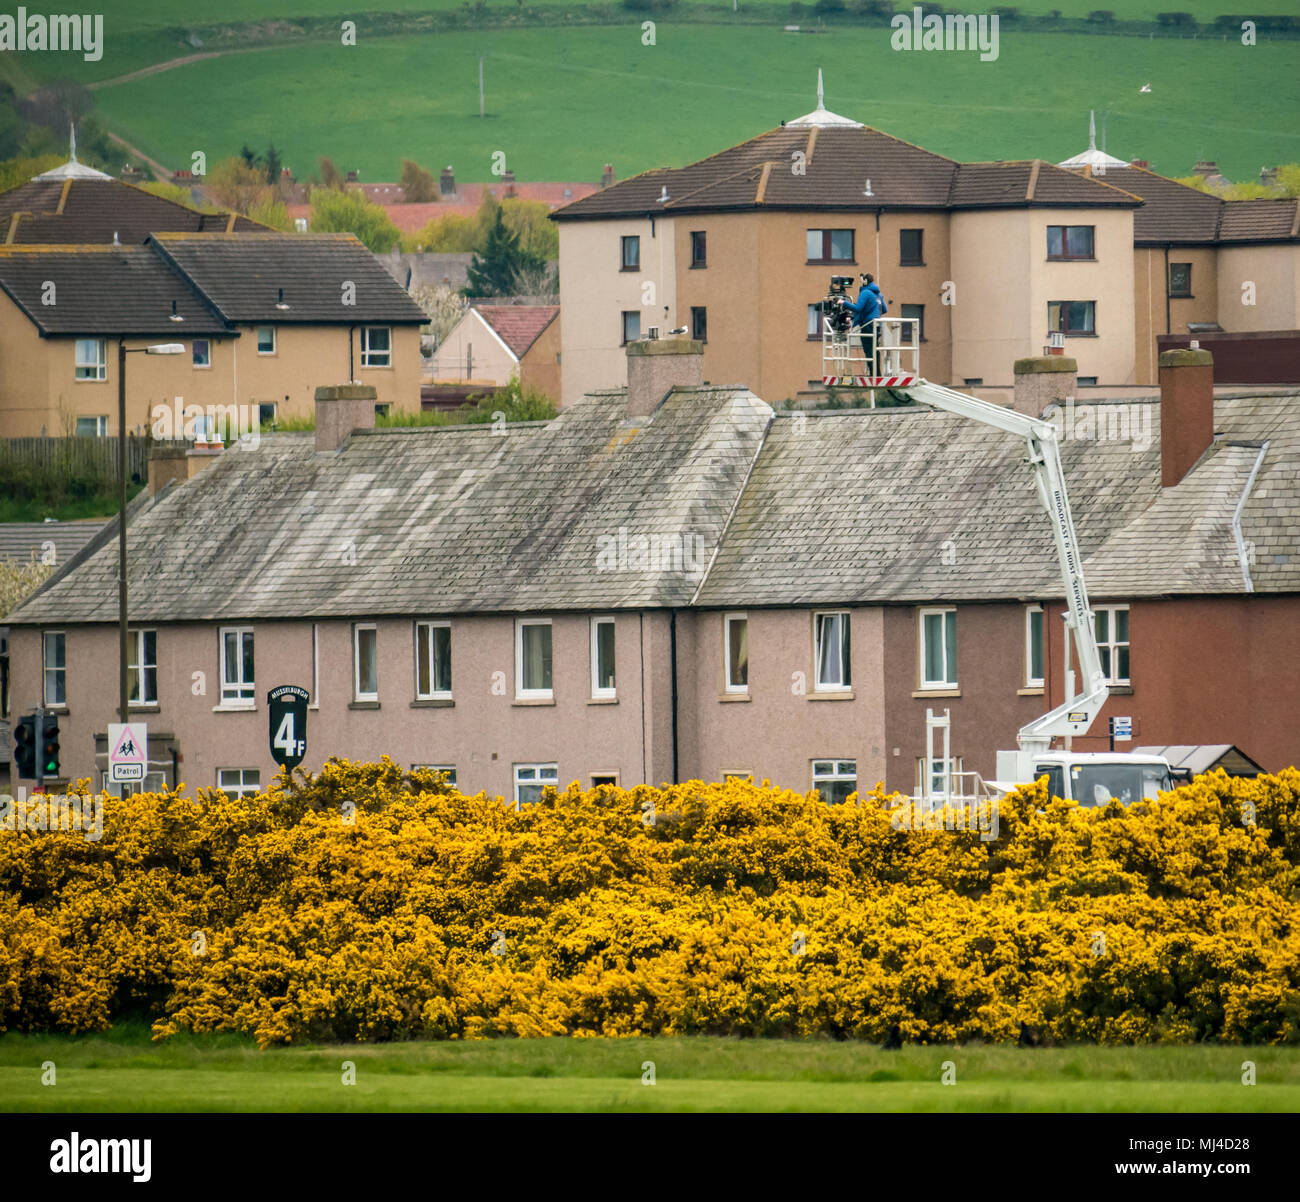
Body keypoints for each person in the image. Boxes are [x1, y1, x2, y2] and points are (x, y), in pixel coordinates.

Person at [847, 272, 886, 370]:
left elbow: (858, 308)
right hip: (877, 325)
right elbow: (884, 309)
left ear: (864, 281)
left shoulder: (865, 293)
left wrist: (844, 303)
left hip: (867, 325)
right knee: (875, 349)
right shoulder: (879, 294)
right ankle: (877, 373)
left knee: (869, 350)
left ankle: (874, 373)